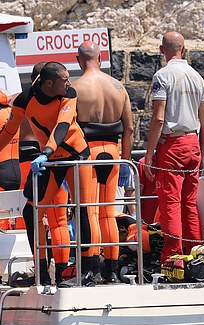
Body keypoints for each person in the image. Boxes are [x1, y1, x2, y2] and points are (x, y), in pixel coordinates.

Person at [0, 62, 102, 283]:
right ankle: (43, 271)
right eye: (64, 79)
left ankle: (88, 270)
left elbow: (62, 125)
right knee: (31, 212)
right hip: (51, 158)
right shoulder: (24, 100)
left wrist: (45, 151)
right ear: (48, 83)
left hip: (76, 154)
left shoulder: (69, 94)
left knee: (81, 208)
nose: (69, 82)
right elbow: (9, 129)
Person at [144, 32, 204, 261]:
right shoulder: (197, 77)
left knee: (170, 202)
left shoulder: (162, 76)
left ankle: (172, 257)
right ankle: (198, 254)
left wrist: (150, 154)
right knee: (189, 203)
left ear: (163, 50)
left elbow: (159, 118)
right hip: (193, 141)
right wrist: (201, 151)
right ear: (184, 48)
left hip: (171, 145)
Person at [72, 40, 134, 283]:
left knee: (89, 212)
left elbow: (68, 126)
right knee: (109, 212)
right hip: (114, 151)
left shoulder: (76, 88)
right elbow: (128, 128)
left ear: (79, 60)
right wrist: (127, 161)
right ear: (100, 58)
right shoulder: (119, 88)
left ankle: (91, 268)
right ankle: (112, 268)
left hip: (88, 152)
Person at [19, 62, 71, 285]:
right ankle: (61, 272)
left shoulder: (21, 100)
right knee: (59, 219)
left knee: (33, 214)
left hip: (30, 162)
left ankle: (41, 271)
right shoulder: (60, 101)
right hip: (57, 157)